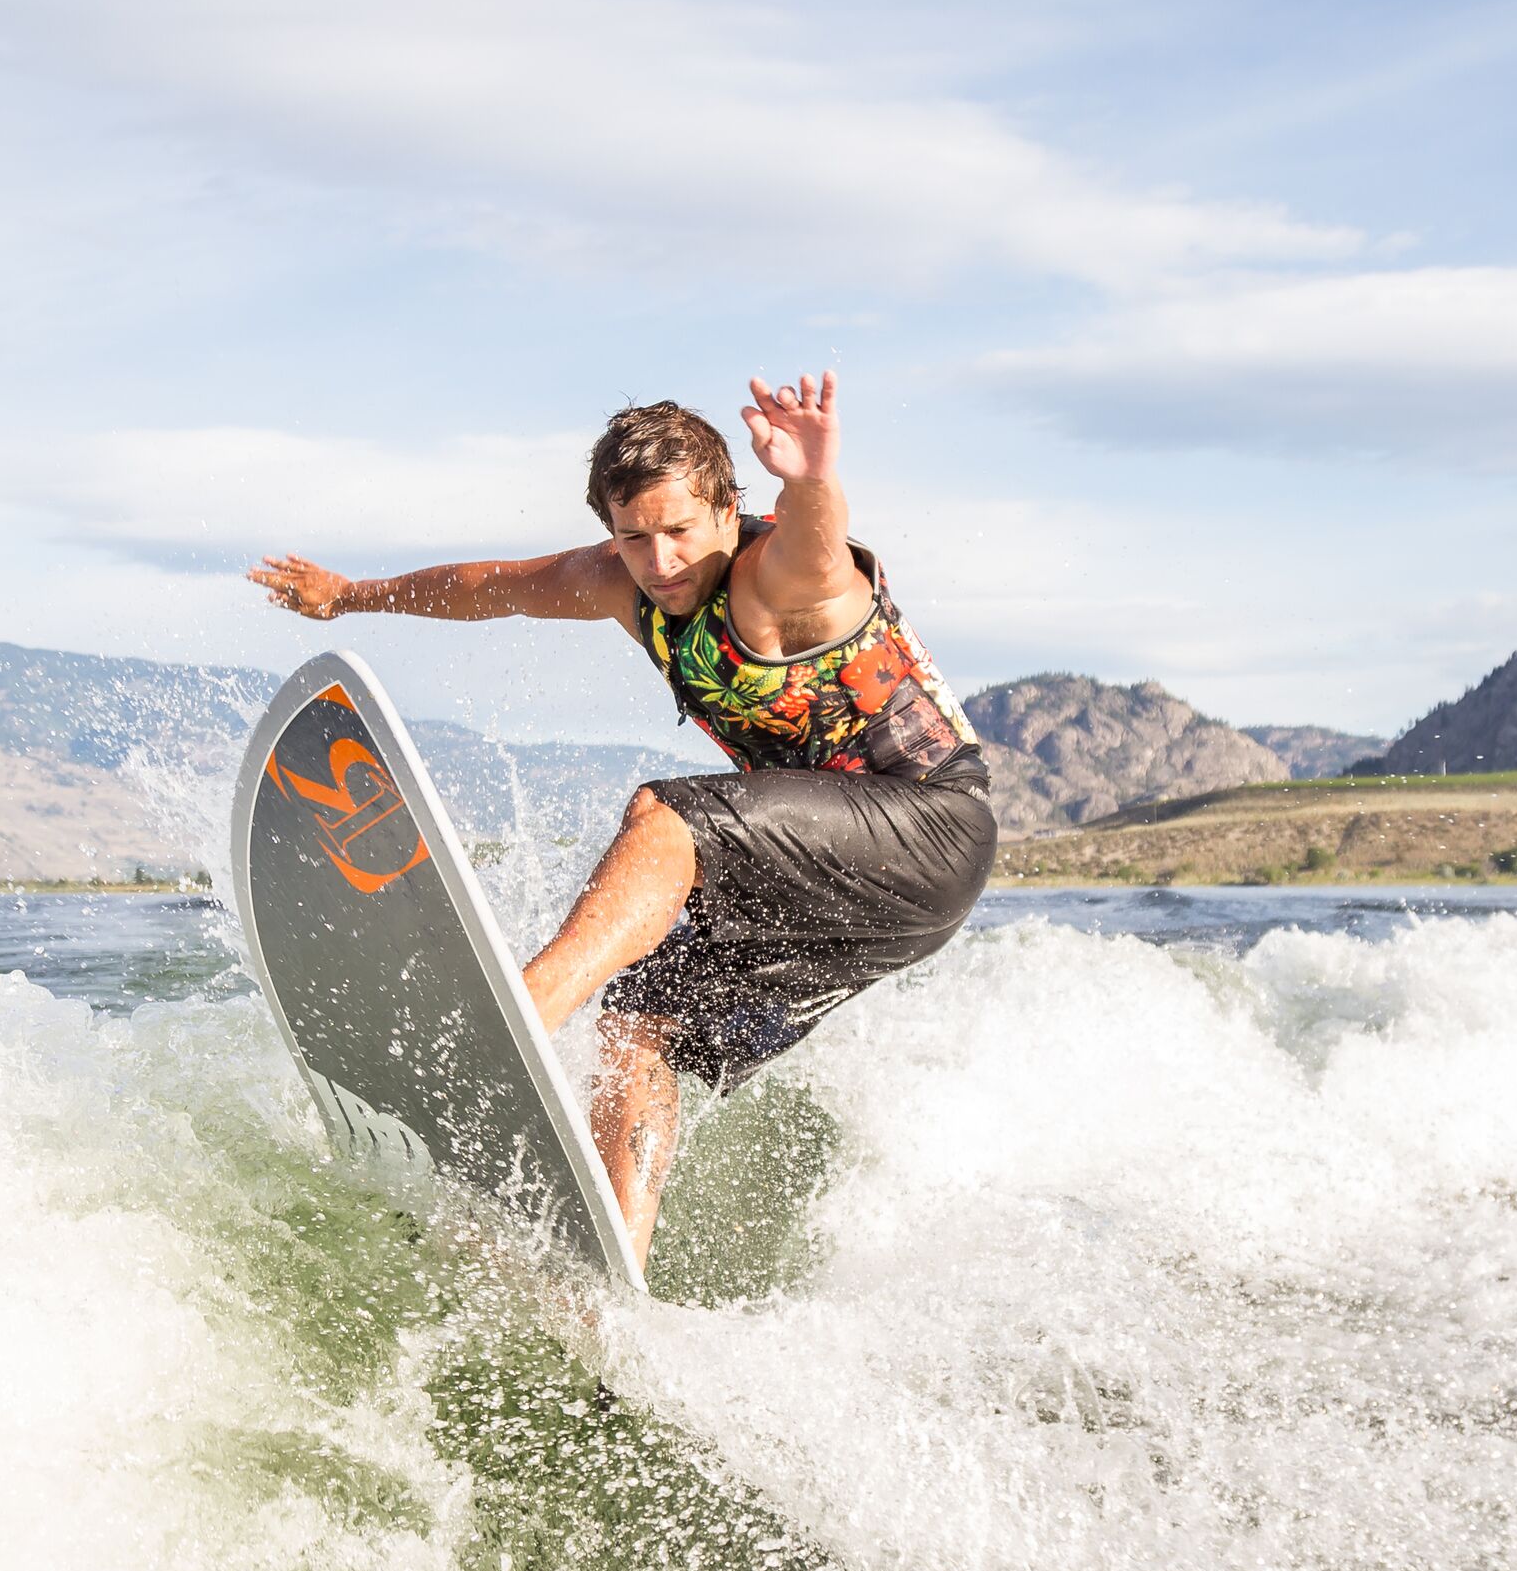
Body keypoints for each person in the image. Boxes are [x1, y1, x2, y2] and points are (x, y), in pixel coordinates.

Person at [247, 374, 994, 1274]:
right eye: (633, 536)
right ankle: (615, 1279)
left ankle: (516, 1022)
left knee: (668, 814)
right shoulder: (622, 583)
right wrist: (351, 594)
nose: (660, 559)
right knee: (639, 1025)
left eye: (680, 529)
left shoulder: (781, 577)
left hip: (931, 831)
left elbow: (819, 543)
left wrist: (812, 477)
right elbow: (491, 587)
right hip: (855, 899)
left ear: (729, 511)